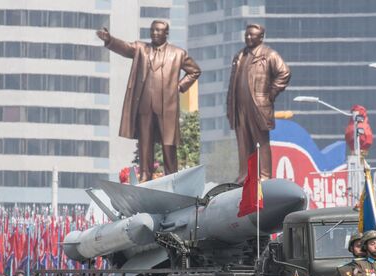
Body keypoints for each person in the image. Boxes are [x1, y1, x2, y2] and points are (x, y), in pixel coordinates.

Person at [96, 20, 201, 182]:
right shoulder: (141, 49)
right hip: (144, 105)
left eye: (159, 31)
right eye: (152, 30)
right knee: (145, 142)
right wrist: (109, 40)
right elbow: (124, 47)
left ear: (166, 33)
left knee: (168, 143)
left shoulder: (178, 53)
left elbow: (194, 71)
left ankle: (171, 175)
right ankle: (145, 175)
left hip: (167, 106)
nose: (155, 33)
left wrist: (179, 87)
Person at [226, 24, 290, 183]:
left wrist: (272, 93)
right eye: (247, 35)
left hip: (259, 106)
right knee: (243, 142)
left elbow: (284, 72)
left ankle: (264, 176)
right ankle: (245, 175)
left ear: (260, 37)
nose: (248, 37)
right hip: (240, 107)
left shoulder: (269, 55)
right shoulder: (240, 55)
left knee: (261, 141)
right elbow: (232, 83)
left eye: (252, 35)